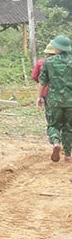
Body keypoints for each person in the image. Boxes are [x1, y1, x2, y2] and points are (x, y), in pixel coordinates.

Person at [38, 34, 71, 163]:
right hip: (70, 101)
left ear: (57, 48)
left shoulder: (48, 62)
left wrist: (39, 97)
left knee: (53, 125)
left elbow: (42, 82)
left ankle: (56, 142)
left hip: (54, 100)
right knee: (69, 127)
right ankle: (68, 155)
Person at [32, 42, 56, 131]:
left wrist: (43, 83)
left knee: (49, 112)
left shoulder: (41, 62)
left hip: (46, 92)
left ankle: (53, 132)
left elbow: (34, 76)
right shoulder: (67, 62)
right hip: (65, 93)